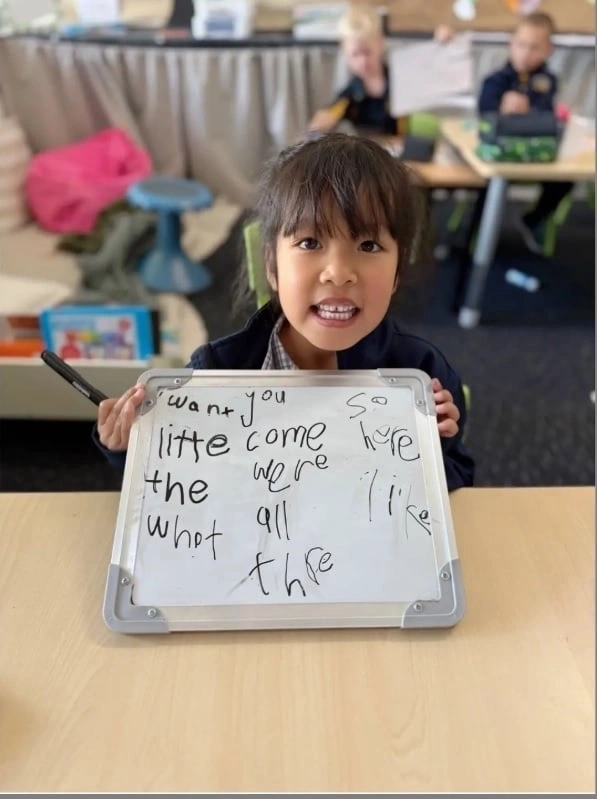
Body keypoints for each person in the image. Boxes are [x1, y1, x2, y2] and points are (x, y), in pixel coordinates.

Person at [95, 134, 474, 491]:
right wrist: (129, 442)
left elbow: (459, 476)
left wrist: (432, 447)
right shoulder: (216, 371)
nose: (339, 273)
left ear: (397, 272)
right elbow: (175, 478)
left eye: (369, 245)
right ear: (272, 268)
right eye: (310, 242)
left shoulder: (422, 373)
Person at [478, 11, 574, 254]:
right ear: (512, 43)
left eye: (534, 47)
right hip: (498, 154)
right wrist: (501, 108)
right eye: (521, 44)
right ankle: (478, 233)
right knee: (484, 182)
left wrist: (528, 110)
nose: (526, 53)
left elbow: (546, 116)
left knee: (564, 180)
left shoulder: (547, 81)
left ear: (547, 50)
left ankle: (534, 219)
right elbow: (484, 112)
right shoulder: (496, 80)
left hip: (533, 154)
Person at [308, 5, 453, 137]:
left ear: (380, 43)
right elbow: (329, 116)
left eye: (367, 52)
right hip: (371, 156)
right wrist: (321, 122)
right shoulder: (352, 94)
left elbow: (430, 68)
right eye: (355, 55)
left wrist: (441, 43)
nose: (362, 62)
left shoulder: (401, 79)